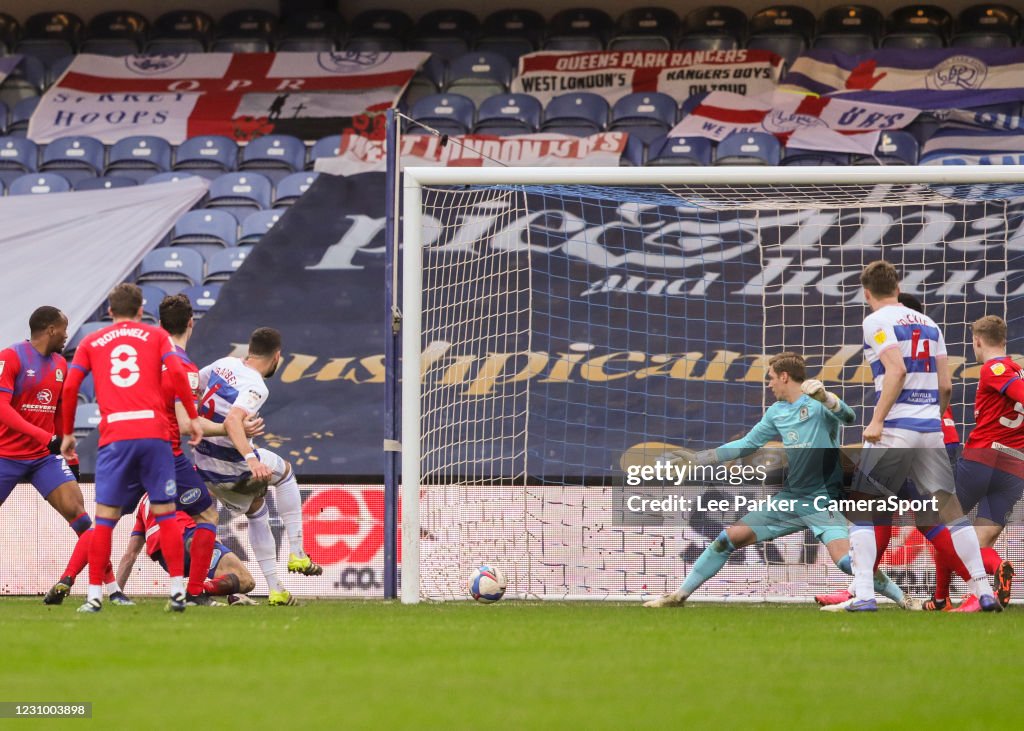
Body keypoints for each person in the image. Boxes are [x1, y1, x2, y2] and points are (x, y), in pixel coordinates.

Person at [643, 352, 915, 609]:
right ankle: (678, 596)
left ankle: (905, 600)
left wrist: (827, 399)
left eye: (771, 376)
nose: (769, 382)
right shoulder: (776, 412)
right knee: (727, 539)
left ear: (785, 376)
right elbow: (748, 444)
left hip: (822, 499)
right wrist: (698, 458)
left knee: (847, 562)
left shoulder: (818, 404)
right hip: (791, 498)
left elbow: (849, 416)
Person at [842, 260, 997, 612]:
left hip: (895, 428)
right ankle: (983, 590)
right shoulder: (930, 324)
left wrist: (877, 422)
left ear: (867, 293)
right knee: (952, 513)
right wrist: (932, 415)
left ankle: (864, 594)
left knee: (863, 511)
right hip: (930, 430)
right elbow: (946, 385)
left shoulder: (876, 321)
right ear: (897, 287)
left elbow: (895, 370)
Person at [814, 292, 973, 609]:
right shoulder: (926, 353)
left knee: (907, 518)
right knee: (890, 517)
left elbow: (901, 386)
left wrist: (877, 423)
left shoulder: (898, 357)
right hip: (937, 439)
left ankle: (982, 582)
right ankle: (867, 589)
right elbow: (944, 390)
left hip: (905, 442)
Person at [60, 283, 202, 613]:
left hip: (117, 434)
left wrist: (67, 433)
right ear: (141, 310)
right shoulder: (156, 337)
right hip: (155, 434)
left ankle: (95, 595)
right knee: (166, 514)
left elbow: (70, 386)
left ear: (109, 312)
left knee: (106, 520)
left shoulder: (92, 341)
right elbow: (179, 373)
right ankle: (178, 592)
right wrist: (193, 417)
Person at [0, 306, 131, 606]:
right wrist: (43, 436)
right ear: (49, 330)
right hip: (5, 455)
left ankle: (110, 589)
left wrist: (66, 449)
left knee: (83, 519)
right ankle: (111, 589)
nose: (67, 334)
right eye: (64, 328)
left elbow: (58, 412)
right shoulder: (11, 357)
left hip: (43, 459)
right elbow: (1, 408)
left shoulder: (61, 364)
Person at [194, 327, 322, 607]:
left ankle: (276, 589)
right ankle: (298, 552)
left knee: (256, 508)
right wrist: (250, 457)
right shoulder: (256, 386)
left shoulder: (222, 363)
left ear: (249, 349)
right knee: (286, 473)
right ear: (277, 357)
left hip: (202, 463)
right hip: (231, 464)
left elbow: (194, 386)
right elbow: (232, 421)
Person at [929, 315, 1023, 611]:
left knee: (941, 525)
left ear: (977, 341)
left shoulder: (994, 368)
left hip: (984, 458)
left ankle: (986, 573)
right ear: (1004, 340)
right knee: (980, 537)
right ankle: (965, 597)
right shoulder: (1019, 369)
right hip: (1015, 466)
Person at [116, 495, 256, 605]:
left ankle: (233, 595)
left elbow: (130, 555)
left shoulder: (143, 505)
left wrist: (115, 592)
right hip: (189, 537)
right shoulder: (182, 477)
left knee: (232, 579)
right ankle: (193, 592)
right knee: (246, 581)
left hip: (167, 559)